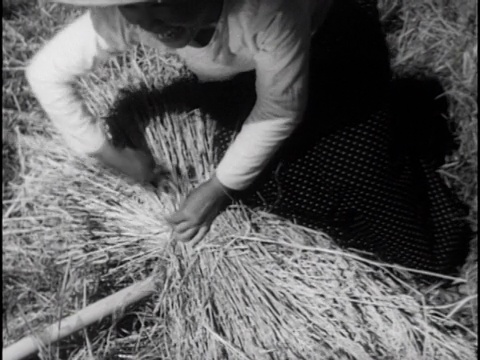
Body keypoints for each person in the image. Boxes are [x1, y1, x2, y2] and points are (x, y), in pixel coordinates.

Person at [26, 0, 470, 274]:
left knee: (379, 201)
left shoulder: (266, 9)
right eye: (133, 5)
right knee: (263, 182)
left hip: (330, 44)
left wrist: (219, 187)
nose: (149, 22)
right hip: (245, 73)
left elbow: (280, 107)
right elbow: (45, 74)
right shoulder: (132, 15)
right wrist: (108, 153)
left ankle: (403, 159)